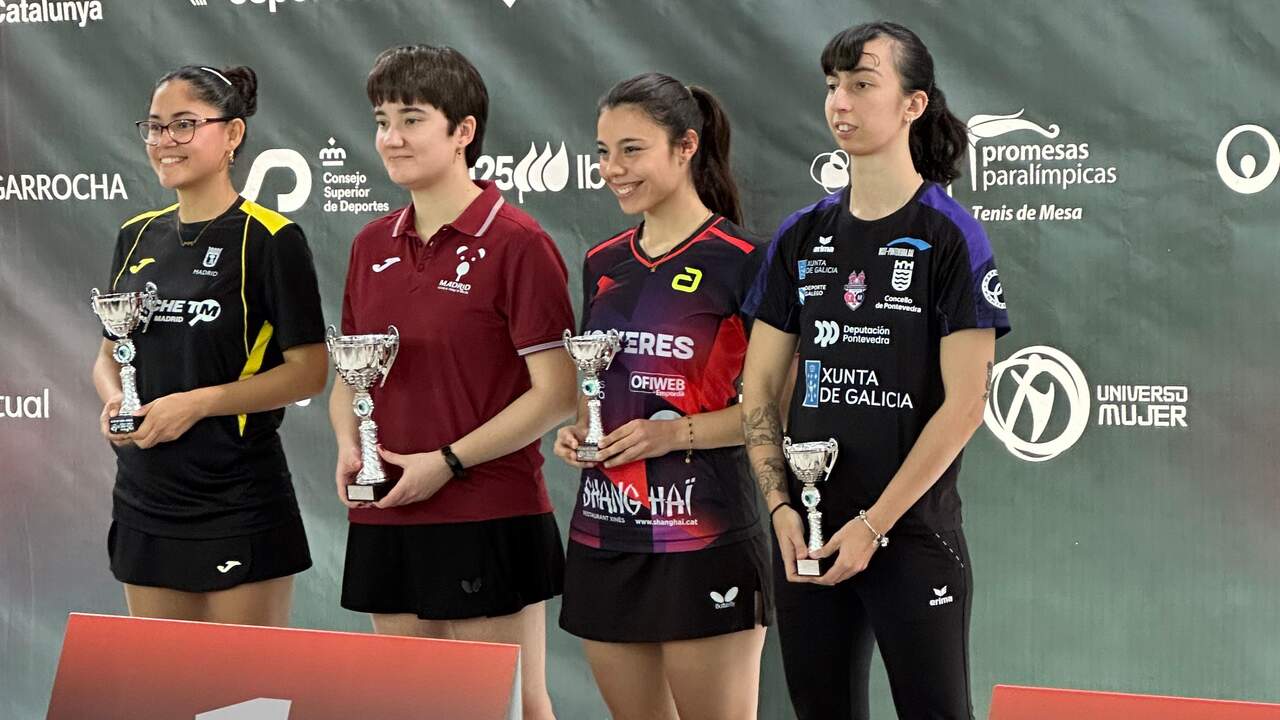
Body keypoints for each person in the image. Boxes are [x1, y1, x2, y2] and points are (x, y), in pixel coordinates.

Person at [740, 22, 1012, 719]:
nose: (841, 102)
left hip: (911, 536)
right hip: (806, 530)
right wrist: (780, 507)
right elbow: (759, 391)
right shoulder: (801, 235)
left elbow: (966, 404)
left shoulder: (949, 234)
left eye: (863, 84)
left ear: (913, 104)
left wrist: (874, 525)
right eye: (833, 85)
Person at [330, 45, 576, 720]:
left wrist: (447, 461)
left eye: (412, 119)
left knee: (508, 706)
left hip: (485, 512)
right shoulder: (370, 244)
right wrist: (351, 446)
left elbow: (558, 393)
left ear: (463, 130)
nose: (391, 137)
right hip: (386, 509)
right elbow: (349, 375)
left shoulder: (518, 241)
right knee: (413, 706)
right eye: (382, 121)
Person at [553, 72, 770, 720]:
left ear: (686, 147)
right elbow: (595, 391)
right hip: (604, 535)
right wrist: (578, 429)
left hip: (702, 535)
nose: (612, 169)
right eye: (603, 152)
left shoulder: (745, 259)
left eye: (632, 150)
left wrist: (674, 433)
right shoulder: (602, 262)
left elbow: (775, 410)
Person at [92, 64, 328, 626]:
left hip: (236, 499)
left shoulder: (271, 238)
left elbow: (309, 371)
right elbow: (108, 354)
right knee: (161, 678)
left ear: (232, 134)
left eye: (184, 125)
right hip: (145, 498)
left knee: (242, 683)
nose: (164, 141)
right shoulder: (136, 235)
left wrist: (197, 404)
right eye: (154, 127)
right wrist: (116, 400)